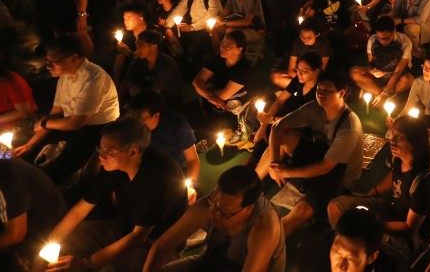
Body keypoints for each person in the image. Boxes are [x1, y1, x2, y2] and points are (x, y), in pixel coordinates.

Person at [41, 117, 188, 272]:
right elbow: (80, 210)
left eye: (108, 152)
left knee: (109, 269)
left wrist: (85, 263)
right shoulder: (114, 165)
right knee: (71, 241)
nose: (101, 157)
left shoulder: (159, 177)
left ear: (133, 151)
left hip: (158, 241)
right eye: (100, 149)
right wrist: (48, 246)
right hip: (126, 228)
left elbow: (138, 237)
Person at [255, 69, 364, 237]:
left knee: (302, 211)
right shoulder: (315, 107)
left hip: (338, 177)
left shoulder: (349, 127)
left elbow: (325, 167)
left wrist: (285, 171)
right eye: (319, 88)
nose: (321, 93)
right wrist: (275, 163)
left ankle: (264, 243)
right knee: (285, 137)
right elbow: (278, 127)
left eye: (328, 90)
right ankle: (252, 184)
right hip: (319, 155)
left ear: (341, 93)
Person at [327, 116, 430, 260]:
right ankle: (344, 247)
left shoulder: (425, 183)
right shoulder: (399, 156)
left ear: (415, 142)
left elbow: (409, 227)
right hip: (389, 209)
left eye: (399, 137)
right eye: (392, 135)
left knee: (370, 245)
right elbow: (395, 175)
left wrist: (372, 225)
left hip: (410, 234)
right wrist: (373, 192)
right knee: (335, 207)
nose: (392, 141)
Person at [13, 35, 119, 186]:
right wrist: (31, 144)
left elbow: (74, 124)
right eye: (47, 62)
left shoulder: (93, 78)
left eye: (53, 62)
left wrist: (44, 124)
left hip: (97, 129)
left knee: (54, 170)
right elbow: (55, 114)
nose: (48, 66)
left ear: (74, 58)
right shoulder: (64, 77)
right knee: (28, 156)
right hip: (68, 123)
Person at [142, 165, 285, 272]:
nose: (215, 215)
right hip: (211, 263)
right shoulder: (210, 204)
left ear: (248, 208)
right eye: (214, 204)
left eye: (224, 212)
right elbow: (160, 247)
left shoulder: (264, 225)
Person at [129, 91, 201, 192]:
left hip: (172, 172)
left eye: (141, 119)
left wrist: (191, 187)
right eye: (133, 118)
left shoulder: (178, 126)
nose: (136, 123)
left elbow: (193, 160)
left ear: (156, 116)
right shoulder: (130, 125)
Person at [192, 30, 254, 145]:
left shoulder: (243, 68)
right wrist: (210, 96)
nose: (223, 47)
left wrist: (207, 90)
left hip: (236, 106)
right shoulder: (218, 59)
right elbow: (197, 81)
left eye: (228, 46)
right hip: (215, 101)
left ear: (239, 50)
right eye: (222, 44)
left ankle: (209, 137)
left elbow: (224, 95)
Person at [350, 16, 414, 109]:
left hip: (396, 75)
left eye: (386, 38)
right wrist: (372, 71)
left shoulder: (405, 42)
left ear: (394, 32)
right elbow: (370, 64)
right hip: (379, 74)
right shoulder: (372, 40)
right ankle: (387, 95)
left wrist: (384, 93)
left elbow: (398, 72)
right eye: (379, 38)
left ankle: (376, 91)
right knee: (354, 72)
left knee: (409, 80)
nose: (382, 41)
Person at [122, 28, 183, 105]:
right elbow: (126, 83)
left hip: (168, 102)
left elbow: (154, 94)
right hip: (148, 95)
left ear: (153, 47)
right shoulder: (139, 61)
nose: (137, 50)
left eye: (141, 46)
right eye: (136, 45)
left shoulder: (166, 64)